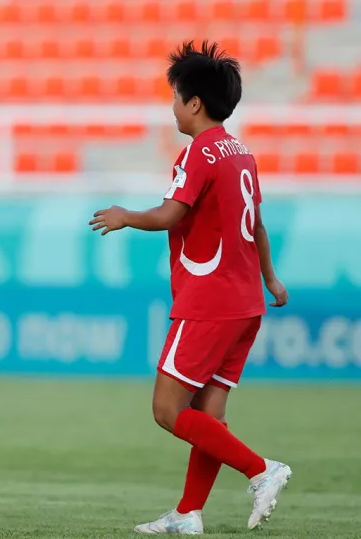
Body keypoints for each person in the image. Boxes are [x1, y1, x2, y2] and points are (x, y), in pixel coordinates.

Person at [89, 40, 292, 534]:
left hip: (209, 302)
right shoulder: (241, 152)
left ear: (193, 102)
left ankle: (261, 469)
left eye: (176, 96)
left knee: (167, 408)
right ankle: (187, 514)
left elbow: (169, 214)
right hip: (245, 303)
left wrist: (124, 217)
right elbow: (258, 223)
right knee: (208, 413)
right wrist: (270, 277)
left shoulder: (199, 152)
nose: (173, 105)